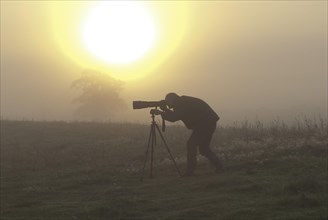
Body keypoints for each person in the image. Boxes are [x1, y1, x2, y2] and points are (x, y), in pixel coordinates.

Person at [154, 92, 224, 176]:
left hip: (205, 123)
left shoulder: (181, 103)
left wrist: (161, 112)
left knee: (191, 144)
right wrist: (165, 110)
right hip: (208, 122)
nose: (167, 103)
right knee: (204, 149)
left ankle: (190, 171)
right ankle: (220, 167)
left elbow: (174, 117)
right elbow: (176, 115)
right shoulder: (181, 101)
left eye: (167, 101)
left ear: (172, 100)